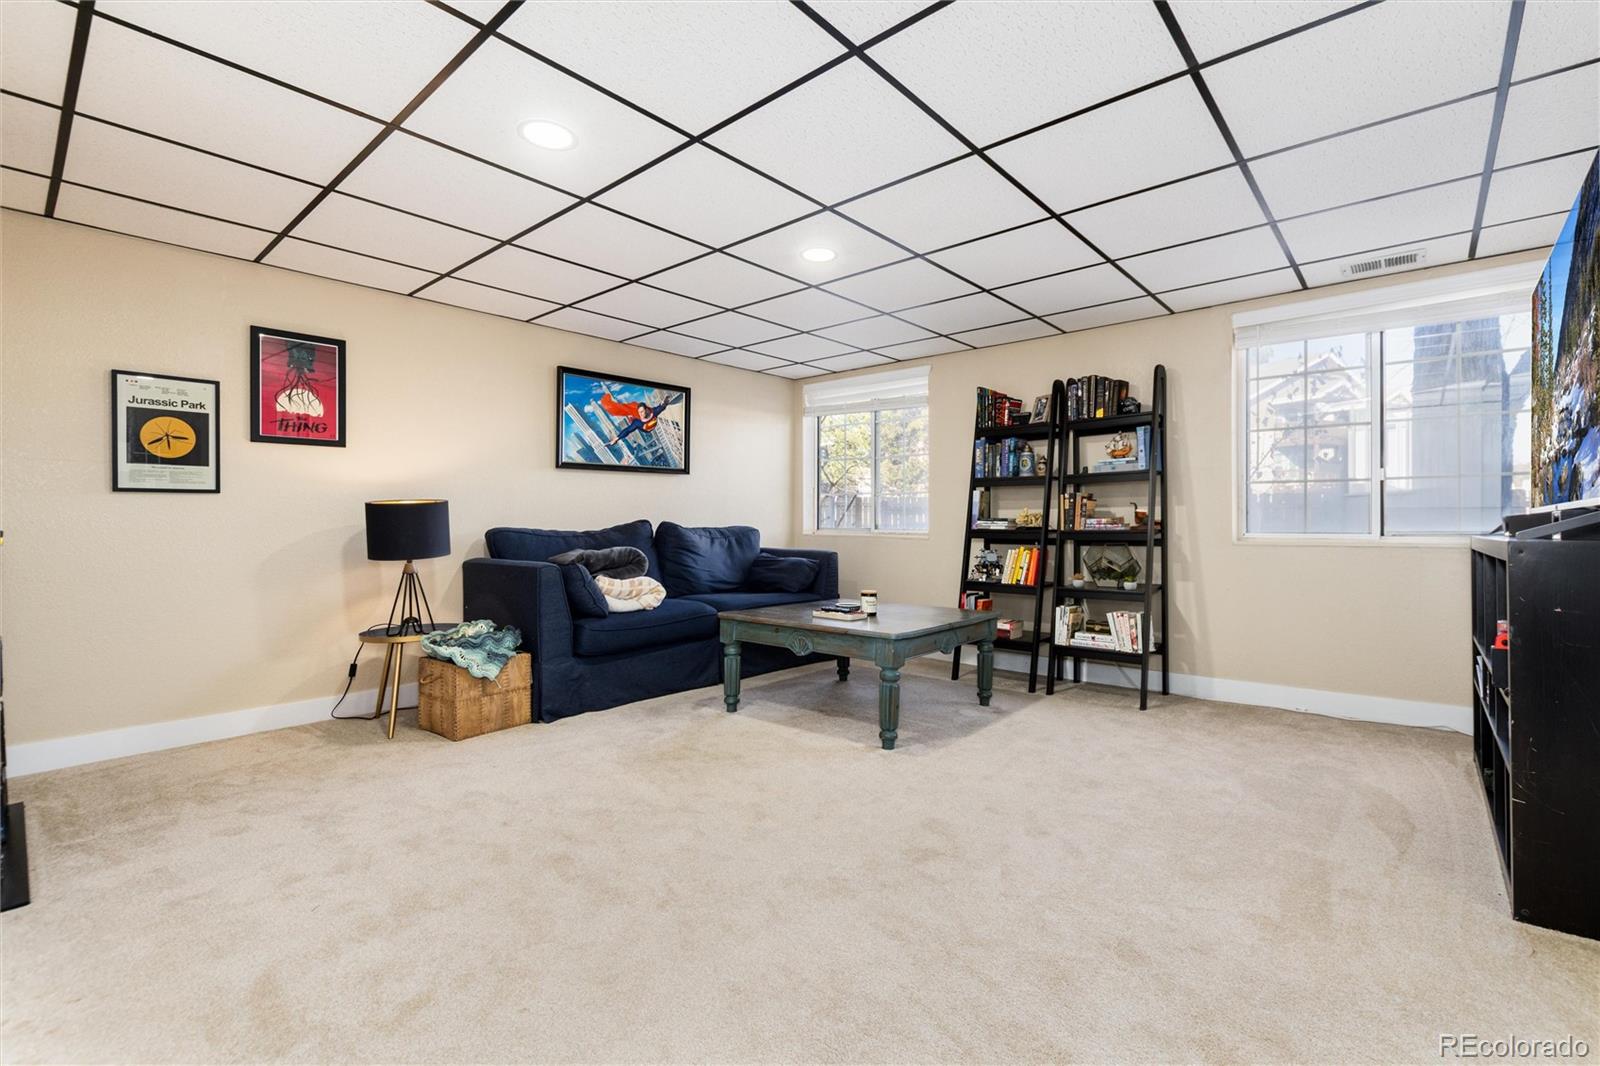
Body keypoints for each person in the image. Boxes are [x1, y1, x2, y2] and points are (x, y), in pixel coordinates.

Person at [599, 390, 672, 446]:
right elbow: (627, 430)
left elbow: (661, 407)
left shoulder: (654, 412)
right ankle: (630, 415)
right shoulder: (637, 422)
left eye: (642, 412)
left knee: (656, 409)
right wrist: (616, 439)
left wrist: (665, 402)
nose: (641, 414)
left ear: (646, 410)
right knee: (632, 417)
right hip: (643, 427)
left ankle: (632, 414)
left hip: (650, 423)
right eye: (639, 412)